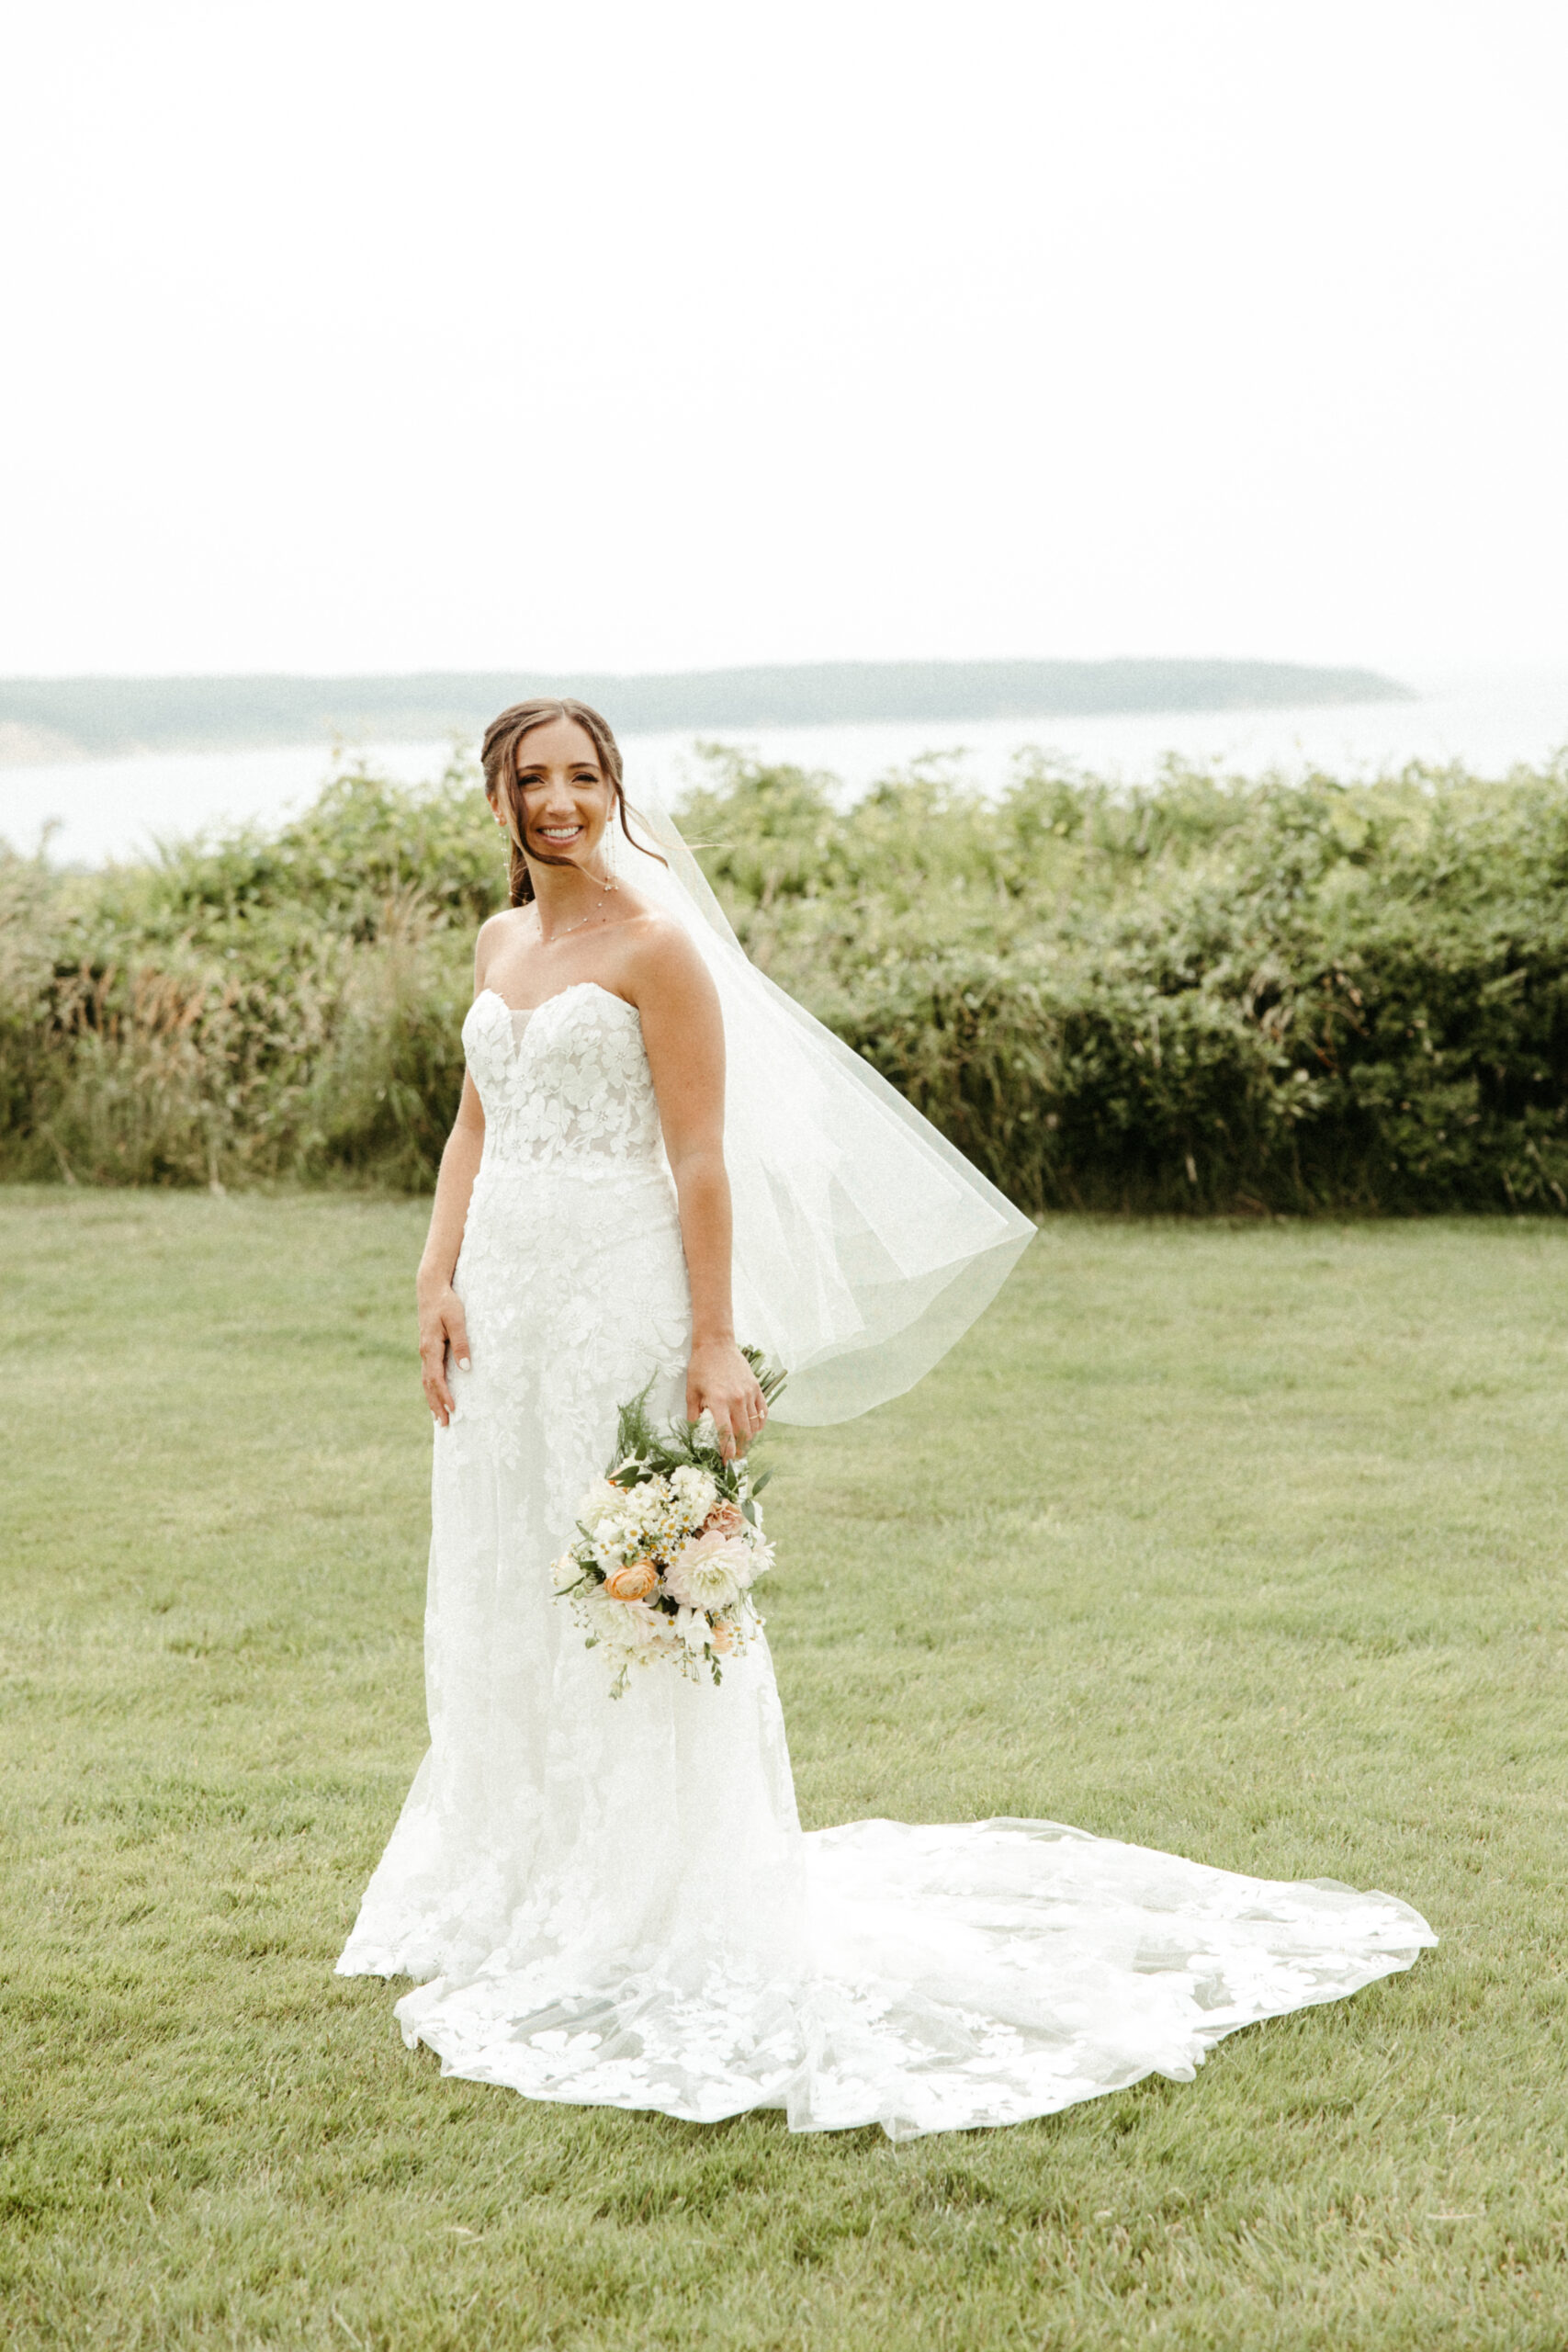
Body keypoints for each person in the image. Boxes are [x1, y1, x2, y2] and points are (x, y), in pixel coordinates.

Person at [337, 697, 1434, 2140]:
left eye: (583, 775)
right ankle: (519, 1871)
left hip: (618, 1295)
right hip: (507, 1303)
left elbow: (702, 1157)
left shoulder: (659, 949)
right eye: (531, 779)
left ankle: (654, 1892)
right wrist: (434, 1275)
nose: (559, 800)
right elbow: (477, 1119)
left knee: (629, 1589)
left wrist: (714, 1340)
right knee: (505, 1574)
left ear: (616, 788)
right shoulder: (498, 948)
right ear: (494, 799)